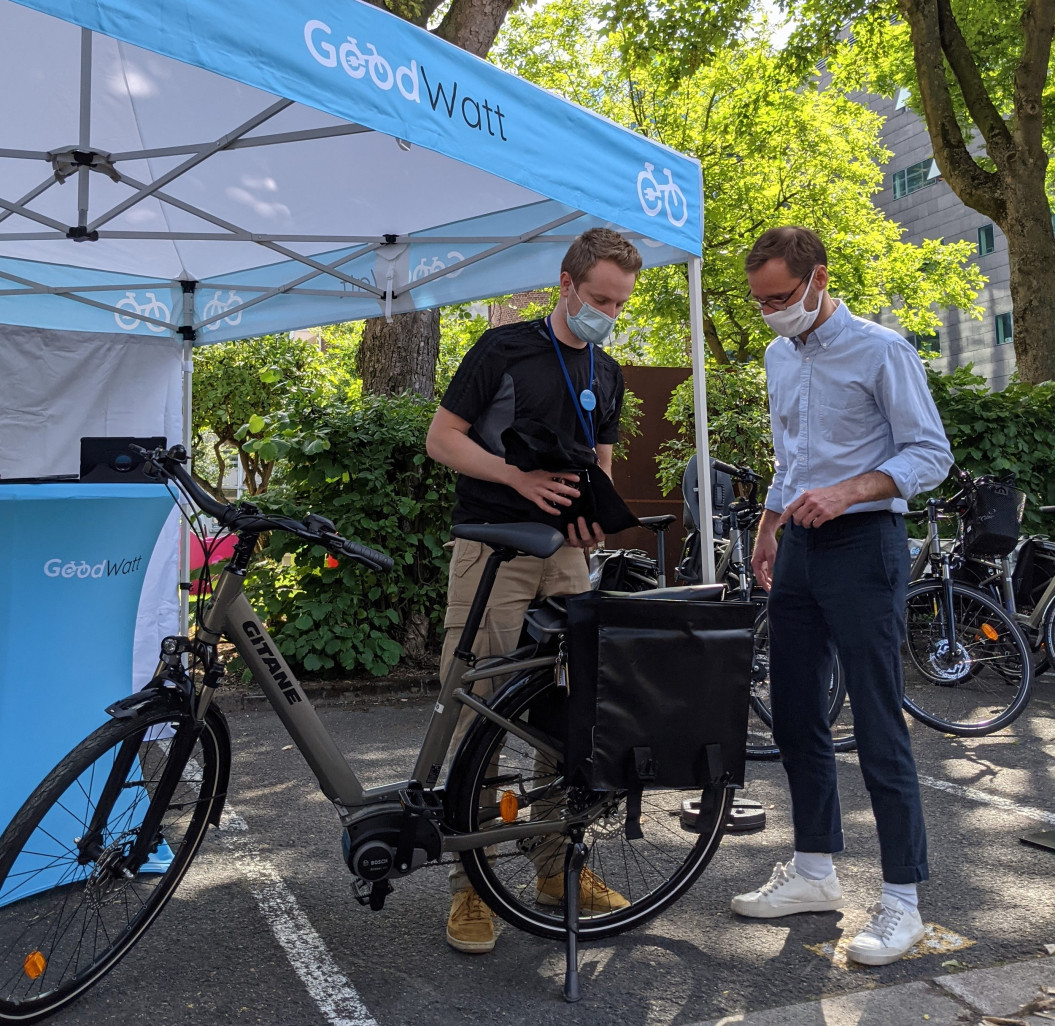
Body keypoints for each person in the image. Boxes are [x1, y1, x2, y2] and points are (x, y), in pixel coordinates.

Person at [731, 226, 953, 966]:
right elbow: (788, 454)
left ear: (819, 278)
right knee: (795, 714)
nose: (771, 313)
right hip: (797, 547)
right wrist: (767, 527)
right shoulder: (775, 352)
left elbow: (929, 453)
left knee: (877, 720)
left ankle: (902, 902)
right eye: (760, 301)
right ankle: (814, 873)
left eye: (781, 298)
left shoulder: (882, 349)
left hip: (864, 546)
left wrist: (851, 490)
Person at [425, 226, 642, 954]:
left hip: (565, 558)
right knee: (477, 710)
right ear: (566, 284)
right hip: (491, 547)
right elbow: (442, 438)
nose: (606, 313)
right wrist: (514, 478)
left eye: (618, 303)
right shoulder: (502, 350)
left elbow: (600, 461)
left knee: (568, 710)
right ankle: (470, 888)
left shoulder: (606, 370)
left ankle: (557, 871)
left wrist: (597, 515)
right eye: (598, 298)